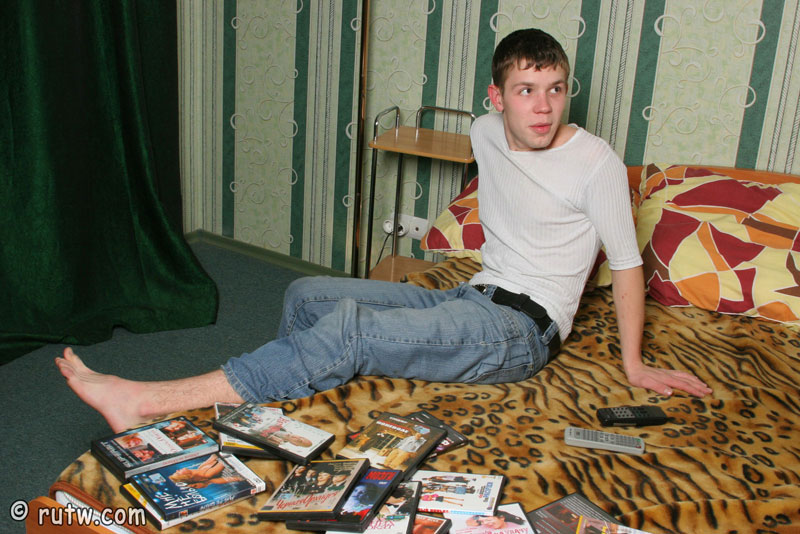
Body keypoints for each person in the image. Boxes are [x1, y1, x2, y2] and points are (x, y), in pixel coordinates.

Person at [55, 28, 712, 434]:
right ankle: (273, 415)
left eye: (556, 89)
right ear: (496, 97)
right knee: (306, 295)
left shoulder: (596, 163)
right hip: (472, 294)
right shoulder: (484, 133)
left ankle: (148, 401)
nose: (543, 108)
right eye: (526, 90)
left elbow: (627, 263)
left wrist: (634, 364)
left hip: (521, 330)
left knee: (351, 330)